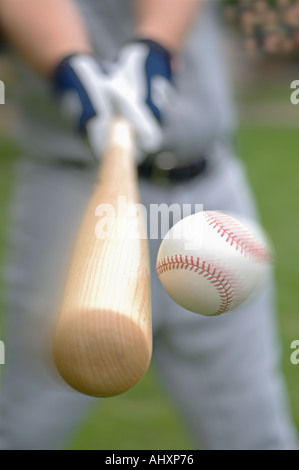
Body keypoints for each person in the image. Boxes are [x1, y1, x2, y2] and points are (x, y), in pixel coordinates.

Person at [0, 0, 297, 450]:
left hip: (209, 201)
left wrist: (155, 45)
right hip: (72, 200)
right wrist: (67, 62)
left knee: (255, 435)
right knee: (20, 429)